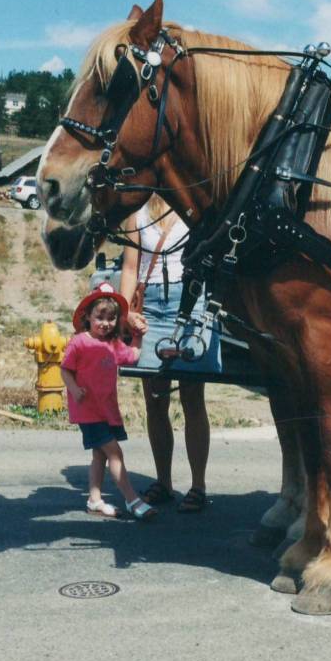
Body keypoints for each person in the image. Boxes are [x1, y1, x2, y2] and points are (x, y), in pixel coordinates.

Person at [119, 195, 221, 513]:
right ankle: (164, 482)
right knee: (155, 399)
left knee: (192, 397)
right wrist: (125, 313)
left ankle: (198, 486)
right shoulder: (136, 212)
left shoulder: (194, 205)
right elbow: (130, 267)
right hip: (150, 305)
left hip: (190, 301)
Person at [61, 282, 156, 521]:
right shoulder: (79, 342)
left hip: (106, 409)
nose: (105, 323)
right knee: (115, 453)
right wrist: (74, 389)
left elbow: (132, 356)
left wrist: (137, 336)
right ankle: (132, 499)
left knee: (100, 455)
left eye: (111, 318)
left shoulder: (113, 344)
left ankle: (94, 499)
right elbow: (65, 370)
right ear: (88, 317)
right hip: (88, 410)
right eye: (99, 317)